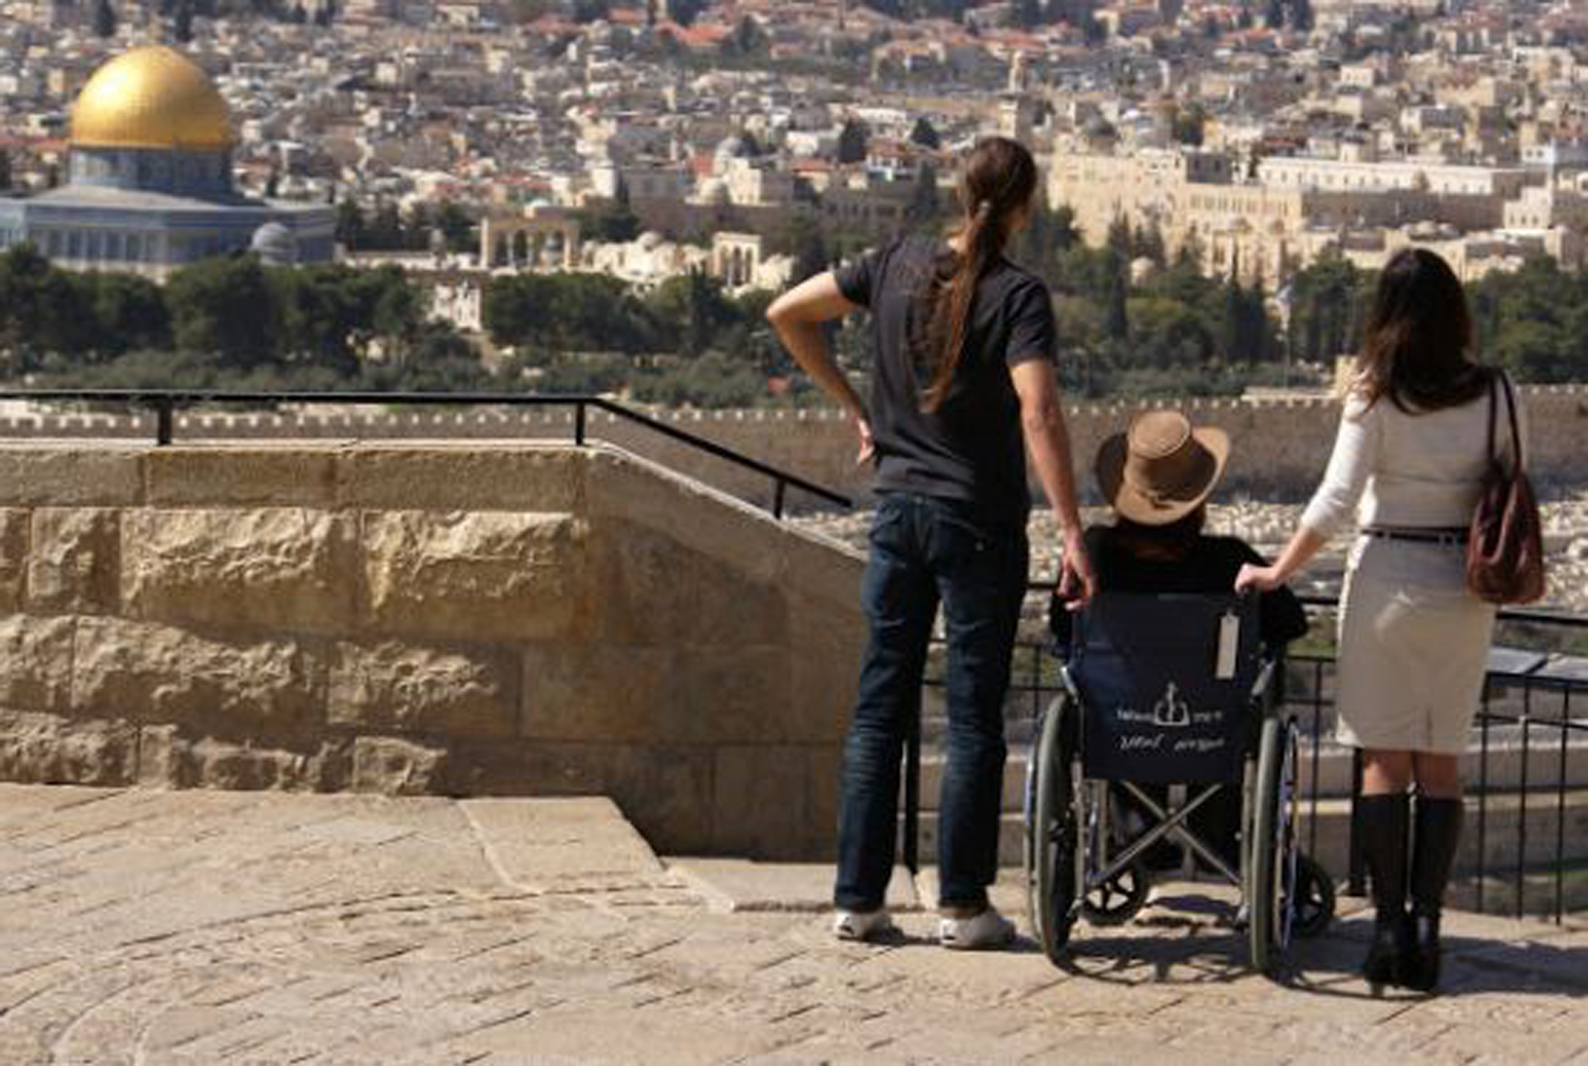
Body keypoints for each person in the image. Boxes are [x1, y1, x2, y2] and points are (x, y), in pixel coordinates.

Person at [766, 136, 1095, 950]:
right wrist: (1073, 529)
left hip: (897, 512)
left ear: (959, 191)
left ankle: (858, 900)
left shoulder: (894, 263)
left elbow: (787, 313)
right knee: (975, 716)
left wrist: (857, 408)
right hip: (978, 521)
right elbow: (1040, 412)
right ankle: (962, 906)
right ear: (1025, 207)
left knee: (880, 707)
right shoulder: (1018, 295)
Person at [1236, 247, 1514, 993]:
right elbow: (1508, 481)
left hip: (1388, 577)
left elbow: (1335, 499)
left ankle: (1388, 930)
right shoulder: (1494, 391)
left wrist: (1277, 572)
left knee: (1383, 762)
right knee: (1442, 762)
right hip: (1463, 590)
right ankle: (1428, 929)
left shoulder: (1374, 390)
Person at [1054, 409, 1310, 872]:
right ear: (1198, 500)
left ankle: (1135, 833)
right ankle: (1216, 834)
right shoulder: (1229, 560)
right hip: (1211, 733)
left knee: (1115, 697)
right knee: (1233, 700)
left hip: (1121, 731)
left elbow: (1062, 628)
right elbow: (1291, 623)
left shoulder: (1095, 554)